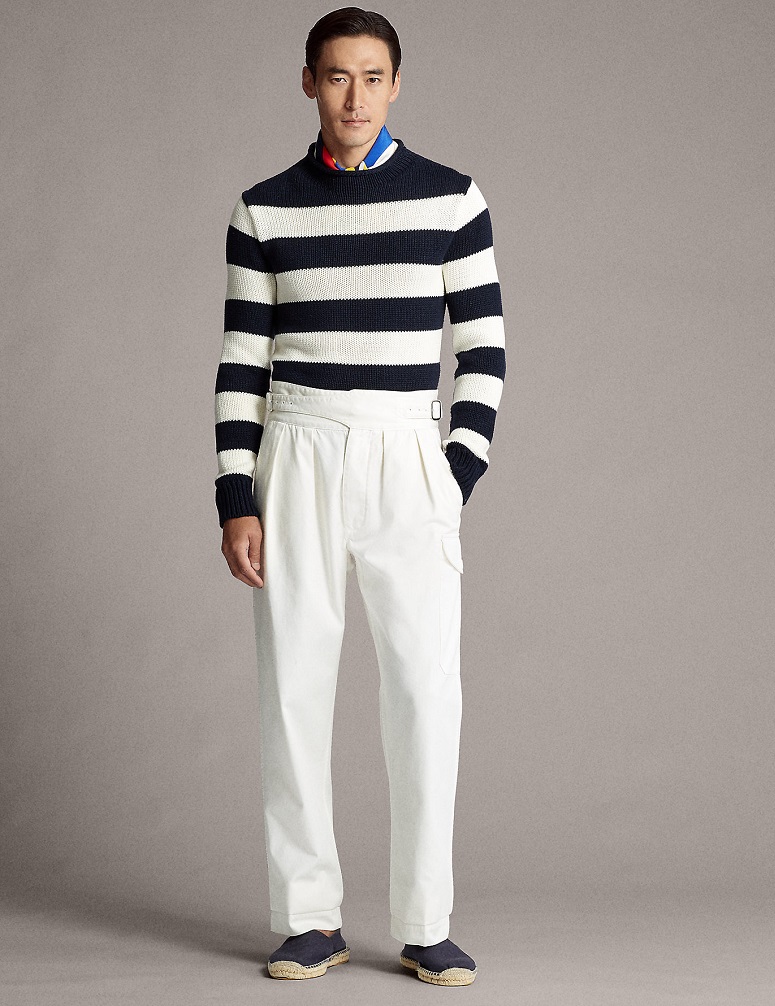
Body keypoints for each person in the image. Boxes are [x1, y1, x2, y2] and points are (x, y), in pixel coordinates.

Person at [213, 7, 505, 987]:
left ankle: (425, 922)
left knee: (425, 689)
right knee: (292, 688)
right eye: (336, 76)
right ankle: (308, 919)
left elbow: (485, 348)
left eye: (372, 77)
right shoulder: (263, 210)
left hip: (405, 451)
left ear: (396, 84)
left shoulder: (452, 199)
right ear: (308, 83)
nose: (354, 96)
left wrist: (452, 474)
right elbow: (241, 362)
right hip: (294, 449)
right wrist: (236, 496)